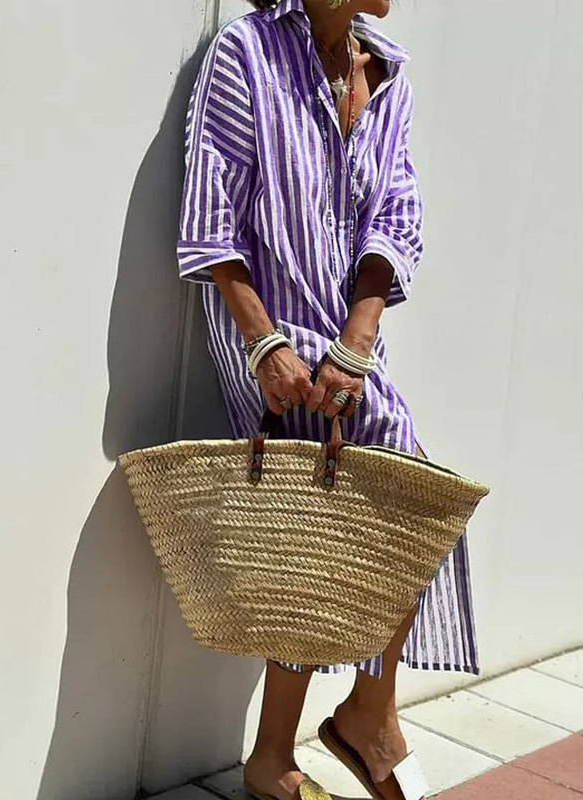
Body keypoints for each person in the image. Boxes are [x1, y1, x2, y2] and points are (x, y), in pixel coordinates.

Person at [176, 1, 479, 799]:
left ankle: (323, 733)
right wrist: (263, 345)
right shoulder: (247, 53)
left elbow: (397, 216)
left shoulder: (389, 75)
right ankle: (337, 733)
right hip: (270, 339)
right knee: (322, 518)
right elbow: (210, 220)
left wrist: (360, 333)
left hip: (347, 343)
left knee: (389, 505)